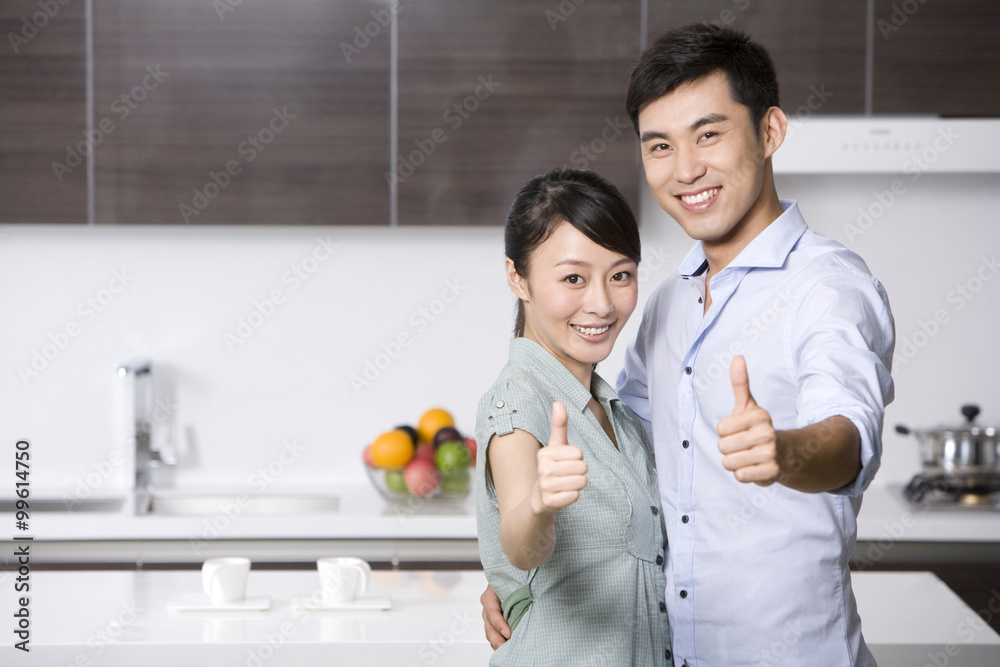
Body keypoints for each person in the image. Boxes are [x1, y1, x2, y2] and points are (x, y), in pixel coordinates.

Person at [482, 24, 895, 667]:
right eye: (660, 146)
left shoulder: (829, 287)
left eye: (708, 134)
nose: (685, 169)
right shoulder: (670, 300)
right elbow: (630, 464)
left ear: (770, 131)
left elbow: (847, 440)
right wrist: (531, 578)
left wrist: (784, 450)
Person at [475, 167, 673, 665]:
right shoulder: (518, 401)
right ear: (517, 277)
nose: (602, 303)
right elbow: (521, 545)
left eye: (620, 275)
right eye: (573, 278)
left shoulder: (612, 409)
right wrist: (539, 505)